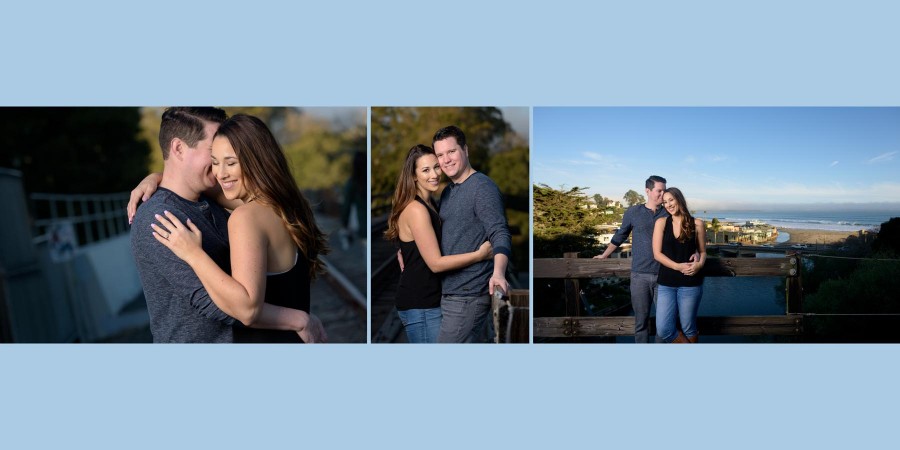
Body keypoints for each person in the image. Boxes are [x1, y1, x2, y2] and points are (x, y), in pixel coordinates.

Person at [130, 108, 324, 343]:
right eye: (213, 157)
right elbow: (214, 303)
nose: (219, 172)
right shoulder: (159, 217)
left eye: (228, 160)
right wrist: (298, 319)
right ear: (179, 148)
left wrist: (156, 176)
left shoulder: (225, 203)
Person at [384, 144, 493, 343]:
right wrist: (480, 255)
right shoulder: (417, 209)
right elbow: (435, 263)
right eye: (425, 170)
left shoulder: (431, 203)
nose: (434, 174)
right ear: (414, 175)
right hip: (421, 303)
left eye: (436, 167)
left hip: (431, 298)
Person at [432, 126, 512, 343]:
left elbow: (500, 232)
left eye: (451, 151)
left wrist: (498, 273)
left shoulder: (482, 188)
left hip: (468, 294)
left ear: (465, 150)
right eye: (440, 155)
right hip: (450, 292)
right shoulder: (448, 192)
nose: (446, 160)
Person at [594, 175, 669, 343]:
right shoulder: (633, 212)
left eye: (665, 190)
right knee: (640, 323)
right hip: (639, 276)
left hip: (664, 276)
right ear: (648, 191)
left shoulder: (669, 212)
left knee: (664, 324)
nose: (663, 194)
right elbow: (620, 235)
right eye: (659, 190)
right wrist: (605, 255)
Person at [652, 187, 706, 343]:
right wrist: (677, 266)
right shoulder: (661, 222)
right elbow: (657, 254)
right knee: (663, 329)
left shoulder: (697, 224)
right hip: (666, 283)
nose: (668, 205)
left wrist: (700, 264)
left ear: (679, 199)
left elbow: (703, 252)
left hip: (690, 282)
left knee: (689, 327)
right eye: (664, 202)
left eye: (671, 200)